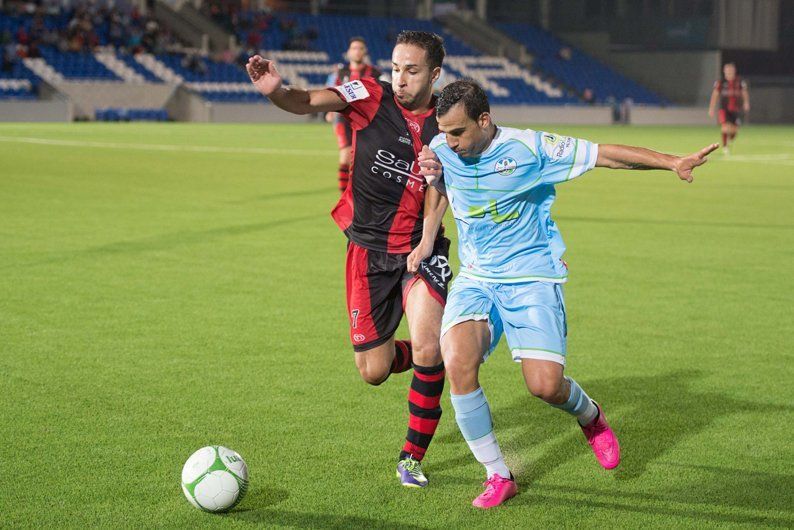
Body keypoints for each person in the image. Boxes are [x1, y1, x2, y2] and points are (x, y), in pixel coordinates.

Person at [409, 79, 718, 508]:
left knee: (545, 386)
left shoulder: (531, 148)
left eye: (458, 132)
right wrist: (427, 239)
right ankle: (498, 474)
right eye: (443, 132)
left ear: (484, 120)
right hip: (477, 279)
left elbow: (605, 154)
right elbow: (439, 189)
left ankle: (590, 415)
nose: (449, 141)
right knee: (458, 362)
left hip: (532, 276)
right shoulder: (443, 151)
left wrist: (672, 162)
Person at [246, 31, 452, 488]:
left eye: (411, 70)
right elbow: (307, 100)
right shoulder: (370, 94)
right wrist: (276, 91)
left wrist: (428, 240)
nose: (399, 78)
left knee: (428, 345)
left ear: (434, 74)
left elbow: (451, 186)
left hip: (422, 250)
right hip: (367, 249)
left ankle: (412, 457)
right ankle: (425, 365)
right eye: (396, 68)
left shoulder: (449, 118)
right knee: (374, 371)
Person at [326, 36, 383, 193]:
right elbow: (334, 92)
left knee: (364, 158)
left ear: (365, 52)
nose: (357, 51)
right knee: (345, 155)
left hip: (367, 120)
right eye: (354, 48)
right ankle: (345, 195)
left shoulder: (375, 73)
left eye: (360, 48)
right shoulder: (341, 72)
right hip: (343, 119)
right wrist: (330, 110)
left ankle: (360, 192)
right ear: (349, 52)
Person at [708, 62, 749, 155]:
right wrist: (711, 108)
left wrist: (746, 103)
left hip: (736, 109)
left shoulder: (740, 81)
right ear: (724, 71)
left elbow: (744, 92)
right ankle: (725, 147)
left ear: (734, 71)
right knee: (725, 128)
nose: (729, 72)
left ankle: (729, 139)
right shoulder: (720, 82)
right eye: (727, 70)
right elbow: (715, 95)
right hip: (724, 109)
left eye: (731, 70)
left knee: (735, 131)